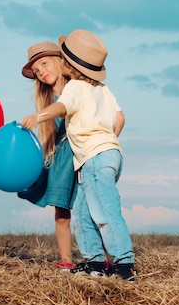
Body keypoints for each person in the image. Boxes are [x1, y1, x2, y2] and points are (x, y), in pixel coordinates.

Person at [21, 29, 136, 281]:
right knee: (84, 212)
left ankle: (122, 264)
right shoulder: (101, 89)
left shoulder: (74, 88)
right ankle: (95, 263)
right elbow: (120, 118)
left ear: (67, 65)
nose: (43, 71)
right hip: (99, 154)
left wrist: (37, 117)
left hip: (92, 156)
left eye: (49, 62)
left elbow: (62, 107)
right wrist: (109, 142)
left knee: (103, 211)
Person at [18, 41, 78, 270]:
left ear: (58, 61)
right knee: (61, 211)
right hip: (61, 157)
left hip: (80, 152)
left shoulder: (76, 88)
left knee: (94, 209)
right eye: (36, 71)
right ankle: (66, 261)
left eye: (43, 63)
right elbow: (47, 136)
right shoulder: (45, 100)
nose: (41, 71)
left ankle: (105, 259)